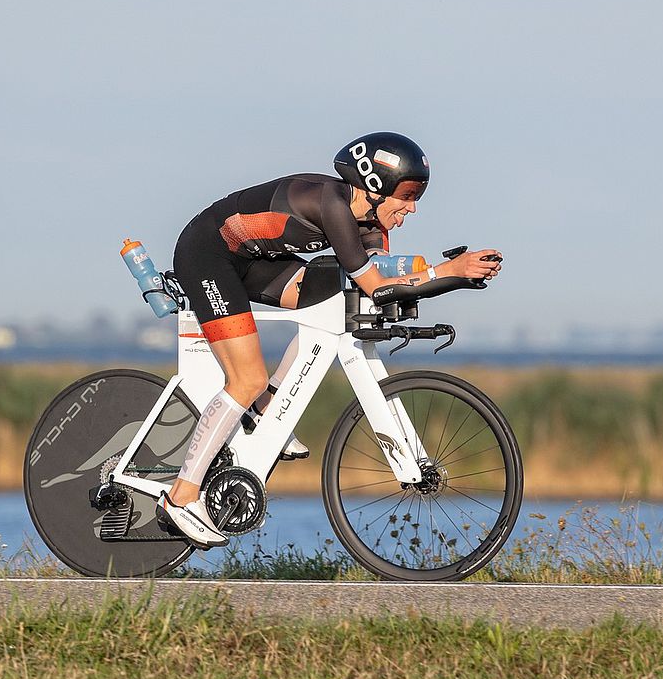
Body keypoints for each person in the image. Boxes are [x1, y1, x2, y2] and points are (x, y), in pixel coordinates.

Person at [158, 132, 503, 548]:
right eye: (407, 195)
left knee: (331, 302)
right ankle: (181, 496)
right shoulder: (332, 207)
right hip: (208, 255)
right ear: (373, 186)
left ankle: (264, 406)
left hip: (253, 261)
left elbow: (387, 285)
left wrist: (452, 280)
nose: (412, 208)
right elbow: (379, 287)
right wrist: (448, 272)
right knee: (244, 378)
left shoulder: (372, 225)